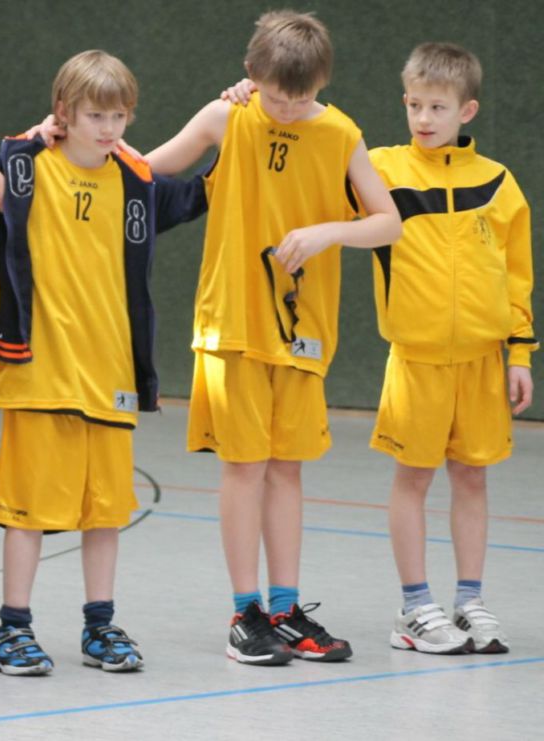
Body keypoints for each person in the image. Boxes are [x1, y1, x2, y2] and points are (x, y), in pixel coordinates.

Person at [143, 10, 401, 665]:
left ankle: (286, 610)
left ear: (322, 84)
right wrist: (57, 138)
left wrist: (328, 232)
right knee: (246, 467)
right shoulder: (228, 116)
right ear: (251, 75)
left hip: (304, 329)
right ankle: (244, 612)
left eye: (301, 97)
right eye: (275, 95)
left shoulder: (341, 134)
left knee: (287, 468)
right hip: (231, 322)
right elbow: (142, 169)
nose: (286, 108)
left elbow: (388, 222)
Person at [0, 50, 205, 676]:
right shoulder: (27, 171)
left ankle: (100, 626)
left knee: (105, 514)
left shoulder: (136, 184)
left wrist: (236, 113)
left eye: (119, 116)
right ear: (64, 114)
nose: (109, 128)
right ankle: (12, 629)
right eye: (95, 115)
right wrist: (32, 136)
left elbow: (202, 193)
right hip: (40, 375)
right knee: (28, 513)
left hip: (111, 379)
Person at [369, 43, 535, 654]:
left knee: (471, 478)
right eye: (414, 104)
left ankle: (470, 602)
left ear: (467, 111)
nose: (423, 118)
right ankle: (414, 608)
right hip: (416, 361)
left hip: (483, 361)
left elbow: (517, 278)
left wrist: (519, 354)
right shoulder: (381, 171)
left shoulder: (497, 183)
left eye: (437, 106)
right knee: (412, 480)